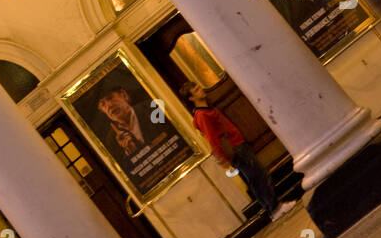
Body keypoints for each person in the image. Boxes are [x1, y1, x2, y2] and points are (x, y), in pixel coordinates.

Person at [185, 82, 296, 221]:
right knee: (259, 176)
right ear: (191, 98)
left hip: (238, 145)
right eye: (196, 90)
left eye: (198, 87)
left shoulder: (207, 108)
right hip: (235, 148)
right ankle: (275, 208)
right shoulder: (202, 115)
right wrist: (222, 159)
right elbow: (212, 139)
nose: (200, 89)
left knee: (256, 178)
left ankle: (272, 209)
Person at [96, 85, 161, 166]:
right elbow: (127, 169)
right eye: (103, 104)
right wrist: (130, 154)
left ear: (124, 95)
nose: (109, 105)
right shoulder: (112, 140)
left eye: (110, 98)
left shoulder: (153, 108)